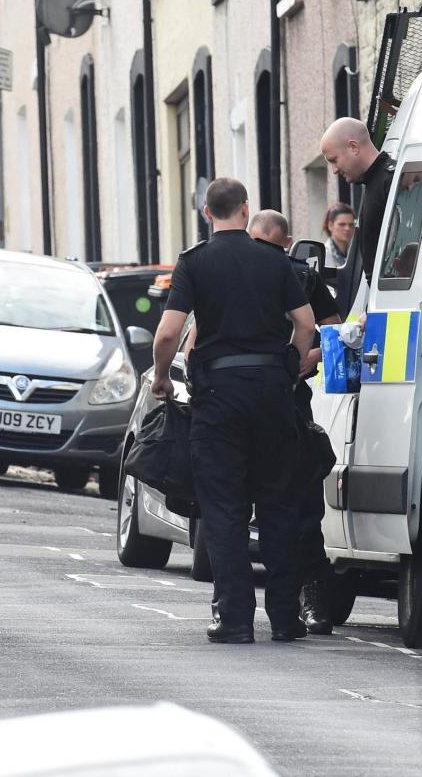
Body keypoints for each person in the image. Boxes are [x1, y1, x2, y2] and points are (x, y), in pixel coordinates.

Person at [151, 178, 316, 644]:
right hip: (271, 393)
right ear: (246, 210)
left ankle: (235, 618)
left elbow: (167, 334)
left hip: (219, 397)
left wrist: (163, 376)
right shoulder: (274, 260)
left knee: (224, 509)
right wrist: (291, 367)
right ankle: (286, 618)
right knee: (279, 505)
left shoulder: (194, 263)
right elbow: (305, 324)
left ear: (207, 213)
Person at [248, 210, 341, 635]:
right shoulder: (246, 272)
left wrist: (306, 360)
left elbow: (330, 331)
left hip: (276, 401)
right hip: (277, 401)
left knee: (296, 504)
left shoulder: (300, 277)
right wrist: (310, 359)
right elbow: (333, 334)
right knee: (299, 505)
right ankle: (305, 603)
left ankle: (293, 601)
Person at [320, 118, 395, 309]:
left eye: (334, 160)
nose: (334, 170)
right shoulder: (374, 183)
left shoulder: (390, 182)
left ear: (353, 147)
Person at [321, 202, 355, 268]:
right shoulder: (323, 255)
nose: (347, 228)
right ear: (330, 225)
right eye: (342, 224)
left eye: (351, 225)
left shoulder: (356, 253)